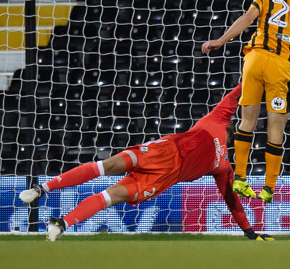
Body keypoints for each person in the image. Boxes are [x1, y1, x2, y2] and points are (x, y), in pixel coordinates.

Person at [19, 84, 274, 241]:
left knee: (111, 196)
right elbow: (237, 93)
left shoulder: (225, 167)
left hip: (162, 178)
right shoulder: (218, 119)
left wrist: (249, 231)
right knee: (106, 165)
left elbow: (231, 199)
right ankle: (42, 189)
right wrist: (261, 76)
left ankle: (62, 224)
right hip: (162, 151)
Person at [201, 0, 290, 204]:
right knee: (275, 128)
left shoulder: (265, 0)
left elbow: (247, 19)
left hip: (254, 59)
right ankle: (268, 188)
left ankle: (240, 178)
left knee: (247, 121)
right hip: (281, 67)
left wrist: (221, 40)